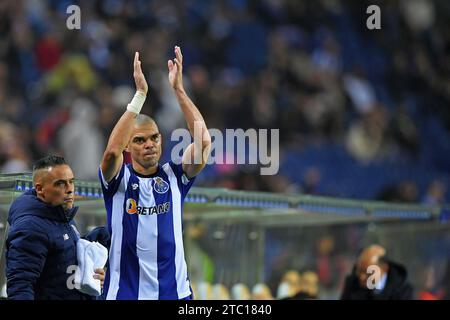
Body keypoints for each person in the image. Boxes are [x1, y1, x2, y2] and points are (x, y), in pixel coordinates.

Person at [99, 47, 211, 300]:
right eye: (139, 140)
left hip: (176, 295)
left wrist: (178, 90)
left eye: (154, 138)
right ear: (128, 145)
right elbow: (110, 154)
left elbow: (203, 143)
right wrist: (139, 97)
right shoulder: (118, 180)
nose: (149, 144)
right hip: (126, 295)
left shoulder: (175, 176)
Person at [5, 155, 106, 300]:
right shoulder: (30, 228)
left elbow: (62, 262)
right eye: (60, 183)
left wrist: (93, 275)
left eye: (71, 182)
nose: (70, 189)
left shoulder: (62, 217)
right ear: (40, 189)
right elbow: (20, 287)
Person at [340, 244, 414, 300]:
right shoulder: (352, 284)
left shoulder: (402, 287)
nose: (362, 277)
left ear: (384, 268)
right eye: (359, 271)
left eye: (368, 272)